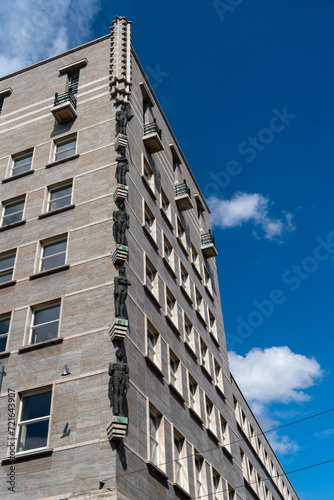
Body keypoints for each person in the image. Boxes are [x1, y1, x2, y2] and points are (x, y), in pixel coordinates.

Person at [108, 348, 129, 416]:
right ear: (116, 354)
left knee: (121, 393)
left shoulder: (125, 365)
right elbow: (110, 373)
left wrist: (127, 382)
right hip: (116, 377)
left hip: (122, 378)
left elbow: (127, 374)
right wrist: (111, 370)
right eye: (119, 352)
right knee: (116, 393)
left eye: (121, 352)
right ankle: (116, 409)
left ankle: (120, 410)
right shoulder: (112, 363)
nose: (120, 354)